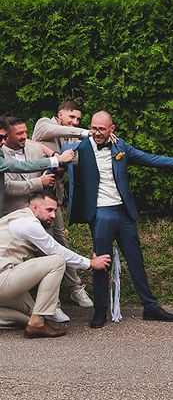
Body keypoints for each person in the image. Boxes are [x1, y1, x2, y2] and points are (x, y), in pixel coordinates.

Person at [64, 111, 173, 328]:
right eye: (94, 128)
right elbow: (61, 153)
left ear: (112, 129)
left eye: (101, 129)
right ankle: (100, 311)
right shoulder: (81, 148)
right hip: (100, 213)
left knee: (136, 259)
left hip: (124, 212)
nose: (97, 133)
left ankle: (150, 306)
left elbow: (149, 158)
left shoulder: (121, 147)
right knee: (101, 262)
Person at [0, 192, 110, 337]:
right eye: (49, 210)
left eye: (55, 211)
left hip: (6, 279)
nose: (53, 215)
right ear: (35, 207)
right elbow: (56, 250)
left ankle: (34, 321)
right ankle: (37, 324)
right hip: (3, 279)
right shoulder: (29, 223)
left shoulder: (16, 216)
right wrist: (91, 263)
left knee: (33, 313)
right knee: (57, 261)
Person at [32, 97, 97, 310]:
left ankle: (76, 288)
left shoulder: (68, 139)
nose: (75, 122)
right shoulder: (44, 124)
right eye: (72, 116)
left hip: (54, 198)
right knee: (45, 246)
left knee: (60, 242)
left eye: (78, 119)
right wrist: (85, 133)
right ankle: (53, 300)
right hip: (34, 196)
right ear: (60, 114)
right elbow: (56, 134)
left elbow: (75, 160)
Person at [0, 118, 74, 216]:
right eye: (19, 133)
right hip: (13, 214)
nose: (25, 136)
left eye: (25, 132)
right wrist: (57, 159)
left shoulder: (35, 149)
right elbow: (22, 168)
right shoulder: (2, 154)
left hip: (43, 209)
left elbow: (46, 172)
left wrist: (57, 168)